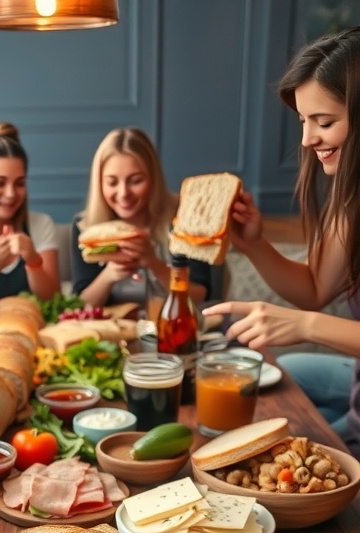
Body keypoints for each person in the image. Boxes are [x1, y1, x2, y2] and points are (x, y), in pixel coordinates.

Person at [203, 27, 360, 457]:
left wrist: (305, 327)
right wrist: (255, 244)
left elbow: (309, 314)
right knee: (281, 382)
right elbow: (314, 290)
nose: (308, 140)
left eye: (324, 122)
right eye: (304, 122)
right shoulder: (350, 201)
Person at [70, 127, 211, 309]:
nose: (123, 193)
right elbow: (79, 307)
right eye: (112, 182)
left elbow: (200, 296)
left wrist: (154, 264)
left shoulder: (186, 217)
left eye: (135, 180)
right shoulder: (85, 227)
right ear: (99, 183)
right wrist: (110, 275)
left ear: (153, 178)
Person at [0, 121, 60, 302]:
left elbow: (53, 300)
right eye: (0, 183)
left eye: (19, 183)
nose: (10, 194)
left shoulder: (41, 224)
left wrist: (32, 260)